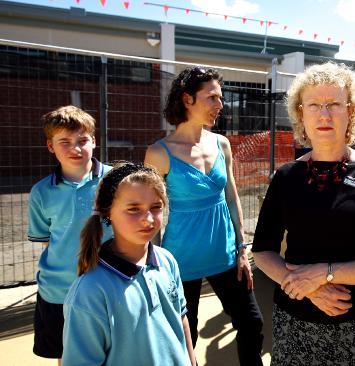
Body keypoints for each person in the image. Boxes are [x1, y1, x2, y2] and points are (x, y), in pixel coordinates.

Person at [252, 62, 355, 365]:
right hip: (294, 322)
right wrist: (308, 290)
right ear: (301, 114)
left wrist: (324, 273)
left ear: (351, 112)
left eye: (334, 104)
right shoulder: (286, 176)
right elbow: (263, 251)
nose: (324, 114)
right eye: (314, 105)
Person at [145, 67, 263, 365]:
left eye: (220, 97)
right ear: (187, 99)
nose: (219, 104)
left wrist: (241, 248)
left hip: (226, 255)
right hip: (180, 261)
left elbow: (232, 197)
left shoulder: (221, 143)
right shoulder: (159, 153)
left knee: (252, 323)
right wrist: (152, 264)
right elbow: (151, 212)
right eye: (211, 97)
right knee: (186, 337)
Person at [62, 163, 195, 366]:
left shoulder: (167, 260)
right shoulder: (90, 291)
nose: (148, 219)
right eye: (134, 209)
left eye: (156, 207)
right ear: (108, 212)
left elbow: (181, 318)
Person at [27, 106, 112, 363]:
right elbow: (46, 242)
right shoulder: (41, 192)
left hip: (108, 287)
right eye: (64, 141)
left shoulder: (116, 181)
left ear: (94, 142)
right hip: (58, 292)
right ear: (50, 146)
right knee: (66, 356)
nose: (75, 148)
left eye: (82, 140)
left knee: (113, 352)